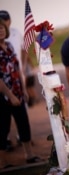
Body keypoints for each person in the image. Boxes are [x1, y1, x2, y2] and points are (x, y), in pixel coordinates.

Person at [0, 19, 42, 169]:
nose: (1, 30)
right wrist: (10, 96)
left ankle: (29, 155)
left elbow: (17, 70)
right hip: (3, 96)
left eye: (3, 28)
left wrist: (23, 90)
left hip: (18, 91)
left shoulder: (9, 46)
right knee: (3, 128)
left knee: (23, 124)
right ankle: (2, 162)